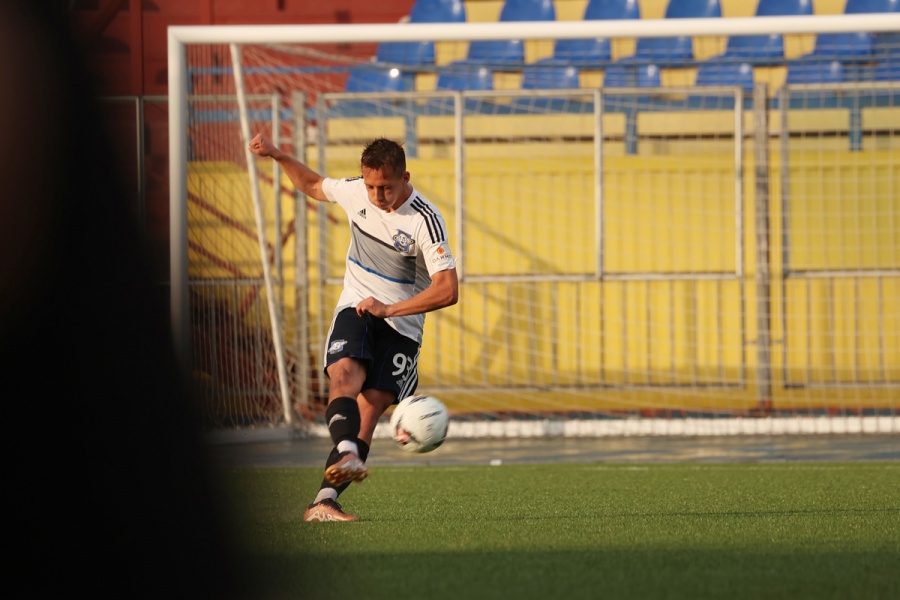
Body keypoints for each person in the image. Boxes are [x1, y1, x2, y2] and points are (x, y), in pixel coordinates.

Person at [249, 132, 459, 522]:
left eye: (386, 187)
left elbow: (448, 290)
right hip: (358, 307)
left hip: (402, 328)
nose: (376, 195)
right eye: (370, 186)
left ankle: (323, 502)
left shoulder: (425, 220)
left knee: (370, 409)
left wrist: (389, 308)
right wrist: (277, 154)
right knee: (344, 376)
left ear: (405, 177)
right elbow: (313, 184)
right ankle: (346, 452)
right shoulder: (355, 192)